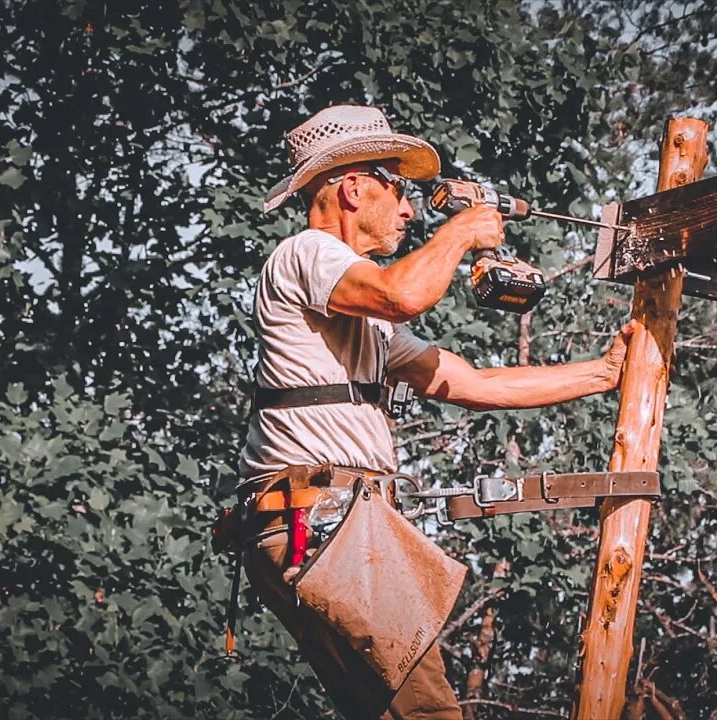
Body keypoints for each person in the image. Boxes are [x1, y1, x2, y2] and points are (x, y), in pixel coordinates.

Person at [241, 104, 634, 720]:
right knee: (429, 712)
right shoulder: (307, 252)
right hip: (321, 520)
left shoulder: (357, 318)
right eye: (398, 186)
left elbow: (473, 383)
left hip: (321, 524)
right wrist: (461, 231)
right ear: (351, 186)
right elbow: (403, 293)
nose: (408, 208)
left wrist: (602, 374)